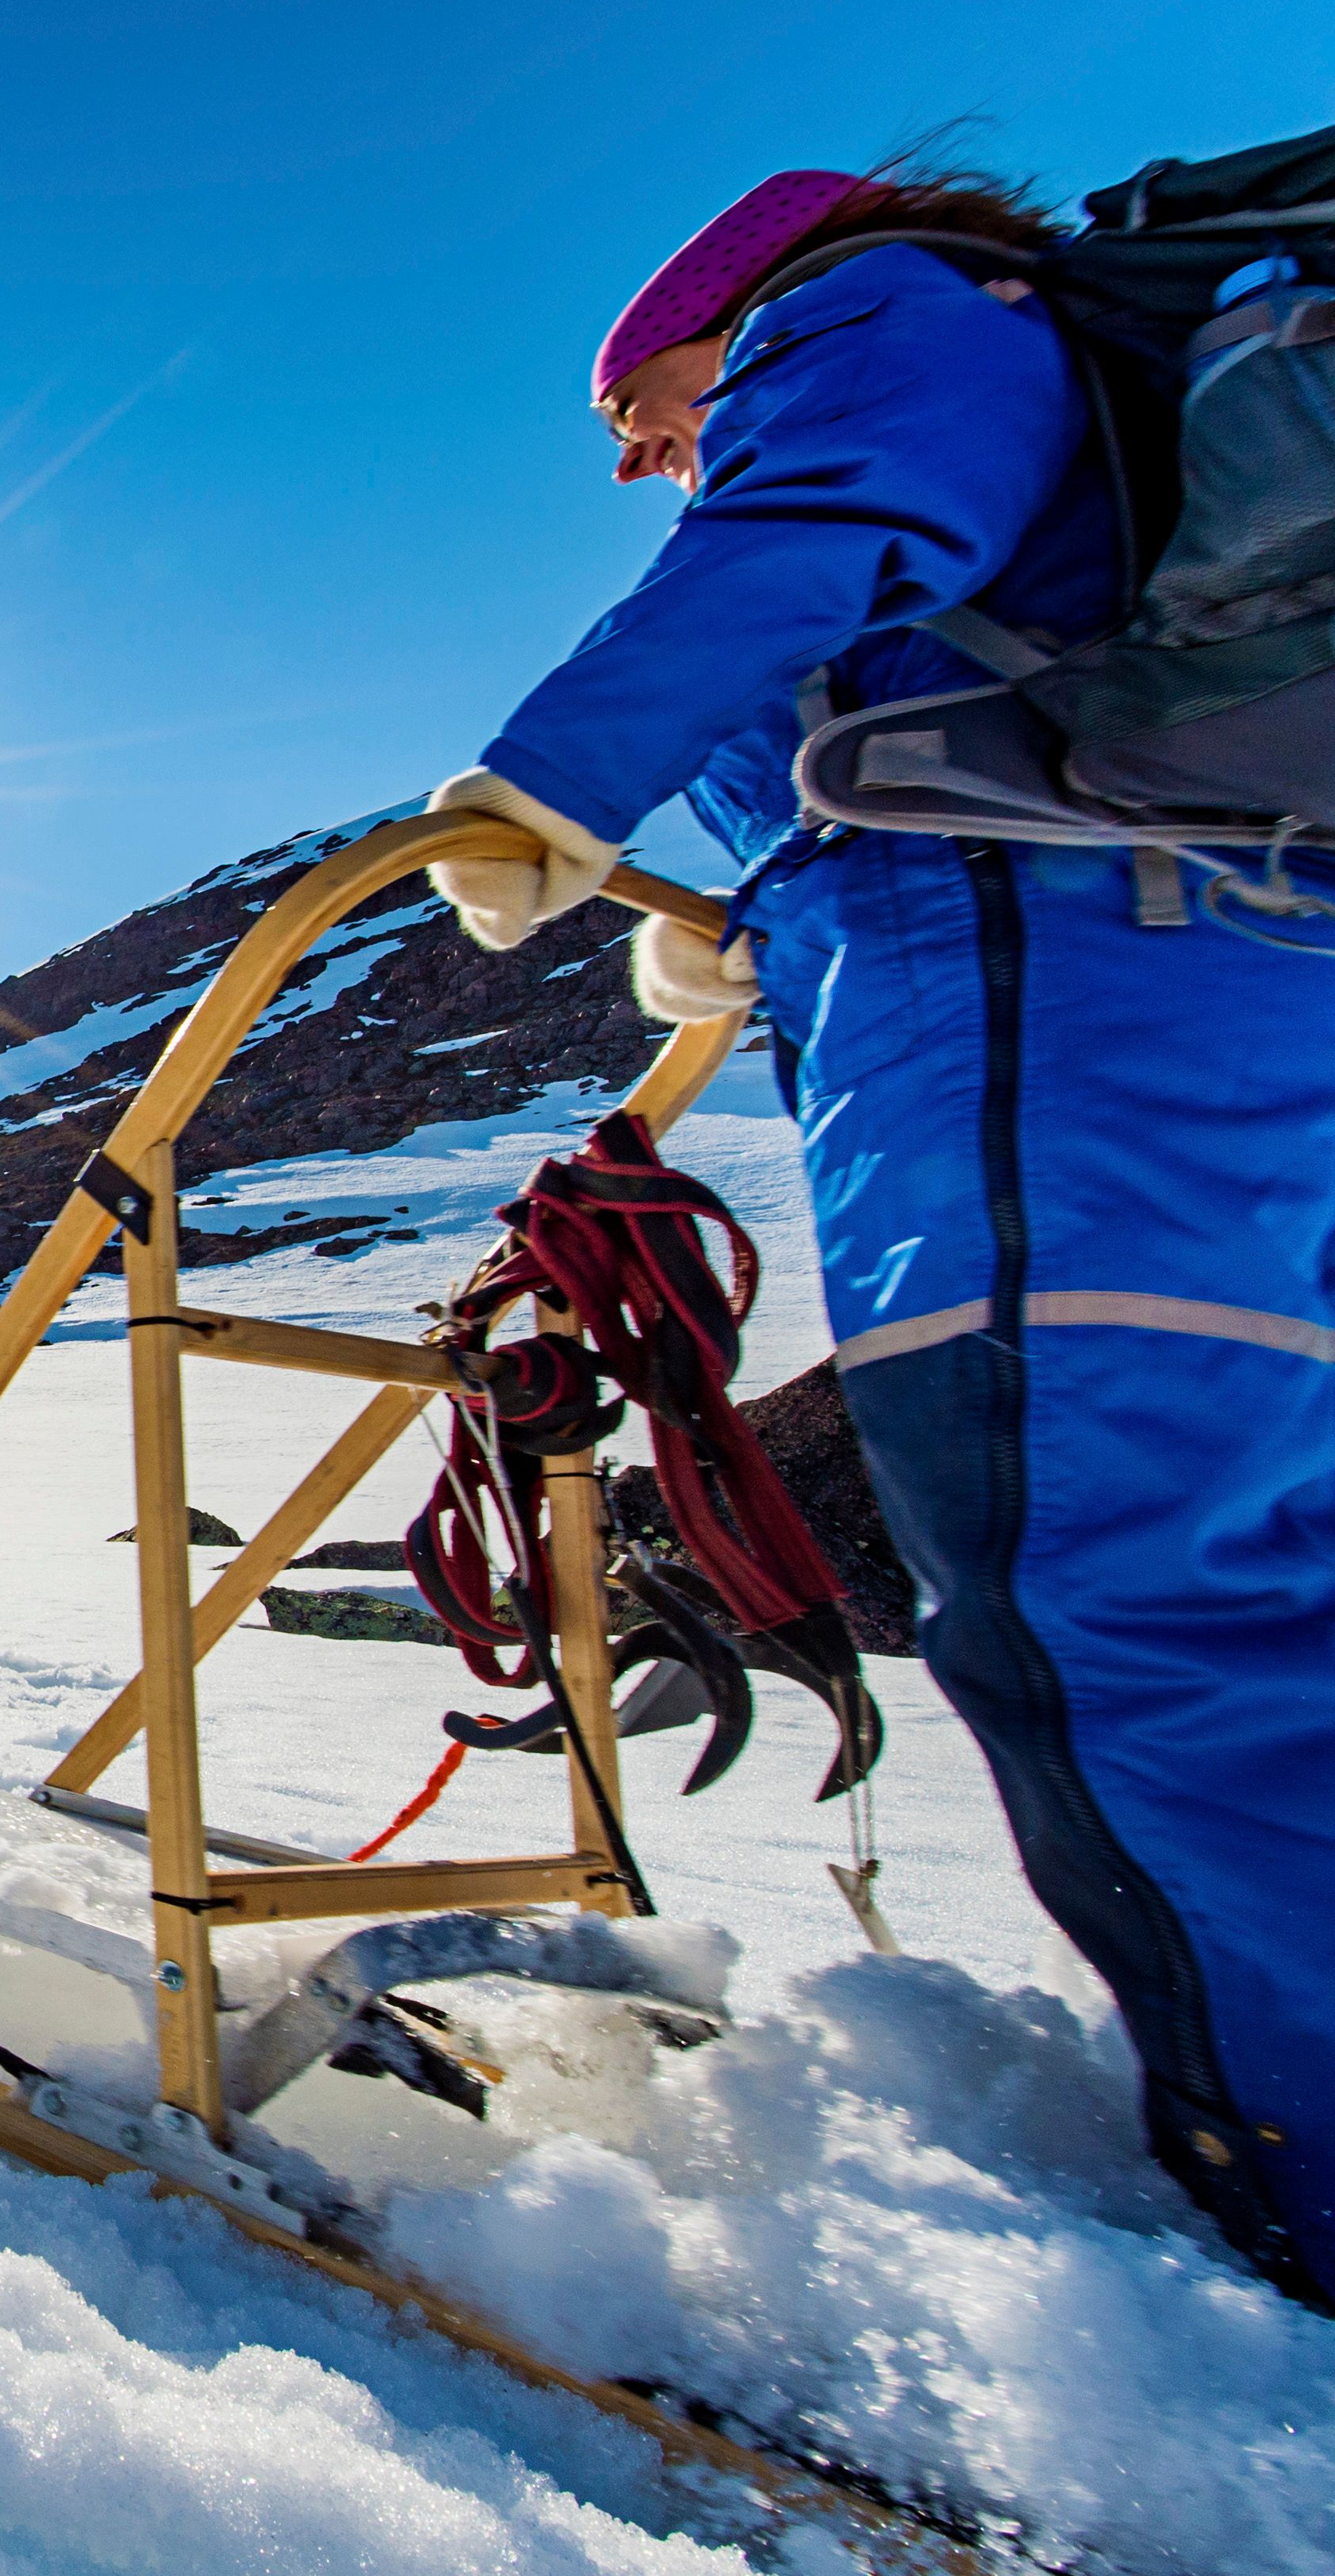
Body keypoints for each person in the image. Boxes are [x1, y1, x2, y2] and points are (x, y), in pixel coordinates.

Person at [426, 162, 1335, 2309]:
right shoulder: (1070, 416)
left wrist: (554, 783)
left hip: (1067, 1031)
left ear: (735, 303)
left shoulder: (892, 310)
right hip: (1206, 995)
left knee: (1127, 1600)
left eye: (640, 399)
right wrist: (757, 926)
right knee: (1255, 1574)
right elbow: (902, 695)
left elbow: (828, 519)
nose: (639, 450)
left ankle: (1296, 2223)